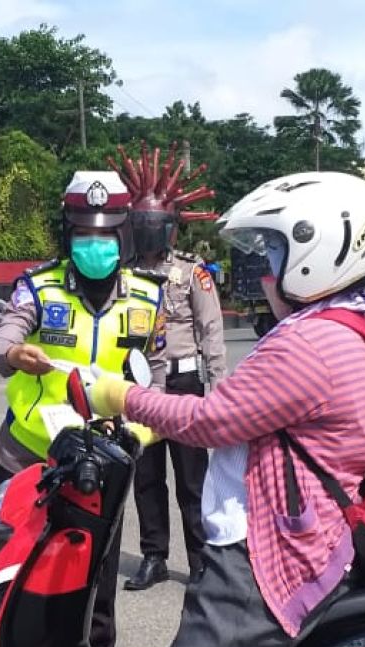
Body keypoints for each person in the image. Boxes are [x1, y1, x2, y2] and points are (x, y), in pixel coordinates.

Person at [89, 172, 365, 647]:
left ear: (321, 255)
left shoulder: (310, 343)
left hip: (267, 555)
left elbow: (208, 419)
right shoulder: (352, 325)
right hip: (310, 533)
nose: (265, 268)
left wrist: (121, 396)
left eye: (278, 252)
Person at [0, 170, 167, 647]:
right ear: (68, 235)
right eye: (84, 235)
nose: (95, 246)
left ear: (124, 235)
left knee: (94, 609)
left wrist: (134, 435)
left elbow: (155, 383)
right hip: (27, 464)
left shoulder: (147, 299)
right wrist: (15, 353)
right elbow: (1, 343)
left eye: (105, 236)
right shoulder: (37, 289)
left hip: (101, 476)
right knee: (9, 594)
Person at [107, 143, 226, 590]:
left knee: (192, 481)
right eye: (141, 224)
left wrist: (216, 392)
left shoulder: (193, 274)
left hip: (184, 382)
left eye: (154, 224)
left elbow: (212, 332)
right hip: (141, 387)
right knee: (147, 480)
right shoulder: (125, 275)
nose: (148, 231)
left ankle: (200, 561)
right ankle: (154, 556)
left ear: (169, 228)